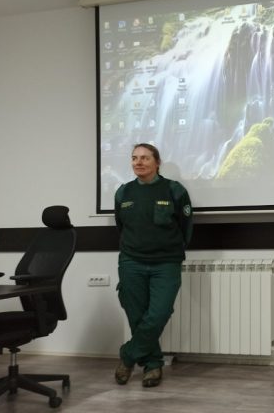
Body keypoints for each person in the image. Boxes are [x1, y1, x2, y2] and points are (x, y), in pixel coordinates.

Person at [113, 143, 193, 388]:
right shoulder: (123, 192)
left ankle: (128, 355)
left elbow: (186, 227)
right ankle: (153, 365)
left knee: (159, 313)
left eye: (145, 158)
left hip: (166, 263)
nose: (138, 162)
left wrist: (172, 251)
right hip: (131, 262)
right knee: (136, 316)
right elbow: (121, 226)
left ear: (157, 162)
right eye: (134, 158)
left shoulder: (174, 190)